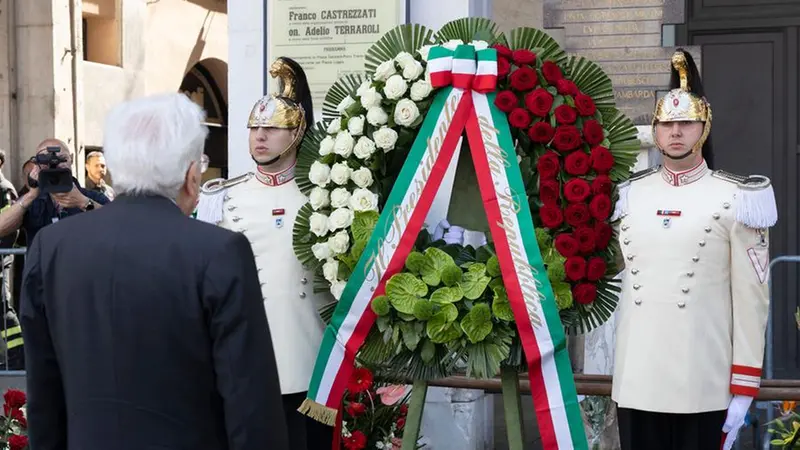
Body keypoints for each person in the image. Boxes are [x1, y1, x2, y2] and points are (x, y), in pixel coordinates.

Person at [19, 93, 290, 450]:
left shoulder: (51, 247)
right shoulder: (219, 251)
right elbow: (251, 408)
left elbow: (43, 396)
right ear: (192, 174)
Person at [610, 49, 778, 450]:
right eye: (667, 124)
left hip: (703, 381)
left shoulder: (738, 197)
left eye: (686, 123)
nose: (676, 132)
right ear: (655, 130)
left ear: (704, 127)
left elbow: (753, 300)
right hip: (637, 379)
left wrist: (744, 383)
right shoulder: (629, 194)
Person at [195, 57, 332, 450]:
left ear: (296, 132)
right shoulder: (220, 198)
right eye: (254, 127)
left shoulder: (324, 195)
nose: (259, 136)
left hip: (307, 355)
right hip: (242, 360)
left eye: (271, 128)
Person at [0, 139, 110, 246]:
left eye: (62, 159)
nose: (55, 164)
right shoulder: (33, 201)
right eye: (46, 159)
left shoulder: (93, 197)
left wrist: (84, 203)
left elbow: (116, 224)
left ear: (71, 159)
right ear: (37, 164)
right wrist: (31, 195)